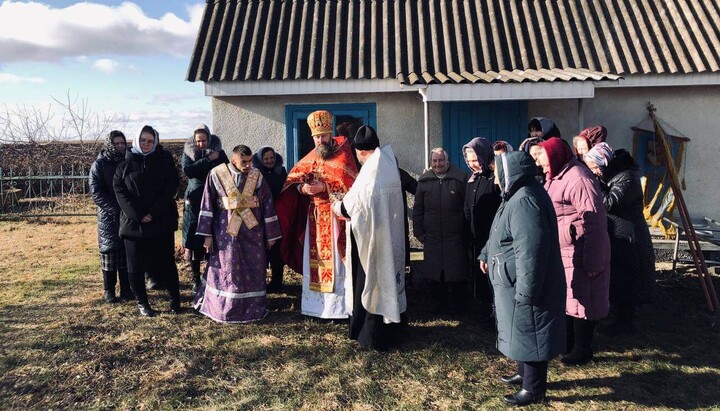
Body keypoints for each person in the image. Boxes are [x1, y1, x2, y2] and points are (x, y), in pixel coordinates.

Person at [479, 151, 566, 406]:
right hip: (513, 280)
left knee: (532, 333)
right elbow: (499, 231)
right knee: (522, 331)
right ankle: (523, 373)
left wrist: (527, 291)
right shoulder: (514, 195)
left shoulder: (525, 200)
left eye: (497, 175)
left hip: (526, 283)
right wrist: (486, 252)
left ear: (510, 173)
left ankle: (534, 389)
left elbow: (531, 251)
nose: (495, 181)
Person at [275, 110, 359, 319]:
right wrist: (303, 189)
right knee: (315, 263)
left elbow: (351, 186)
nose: (320, 140)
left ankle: (339, 309)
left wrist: (325, 187)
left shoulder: (343, 154)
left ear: (330, 134)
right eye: (316, 137)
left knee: (338, 264)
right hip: (314, 218)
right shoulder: (311, 157)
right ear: (312, 137)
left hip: (335, 219)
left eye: (323, 136)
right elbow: (292, 182)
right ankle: (316, 308)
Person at [331, 125, 407, 351]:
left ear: (360, 151)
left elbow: (351, 207)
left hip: (372, 241)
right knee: (390, 280)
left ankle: (371, 335)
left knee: (372, 282)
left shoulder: (370, 171)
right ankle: (394, 331)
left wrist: (336, 206)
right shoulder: (387, 163)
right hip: (389, 235)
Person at [537, 137, 610, 365]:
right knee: (570, 298)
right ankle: (567, 344)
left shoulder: (579, 178)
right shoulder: (557, 176)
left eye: (545, 161)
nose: (542, 166)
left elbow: (595, 221)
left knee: (585, 300)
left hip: (581, 250)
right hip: (565, 250)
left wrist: (593, 262)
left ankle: (583, 350)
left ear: (556, 157)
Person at [192, 145, 282, 323]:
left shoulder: (257, 176)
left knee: (254, 267)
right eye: (244, 162)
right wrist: (207, 235)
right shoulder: (217, 174)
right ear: (233, 160)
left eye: (250, 161)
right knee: (228, 269)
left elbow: (267, 204)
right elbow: (207, 204)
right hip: (226, 233)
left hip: (253, 232)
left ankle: (253, 307)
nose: (248, 165)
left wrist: (271, 235)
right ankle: (225, 307)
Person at [584, 143, 655, 336]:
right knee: (619, 279)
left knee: (628, 281)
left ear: (604, 163)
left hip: (631, 239)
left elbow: (609, 203)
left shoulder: (628, 178)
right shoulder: (614, 176)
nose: (593, 172)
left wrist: (594, 183)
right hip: (620, 237)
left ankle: (624, 324)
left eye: (594, 167)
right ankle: (617, 319)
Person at [113, 125, 181, 317]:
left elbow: (170, 188)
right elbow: (120, 192)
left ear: (155, 142)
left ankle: (174, 300)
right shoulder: (124, 166)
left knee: (166, 263)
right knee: (134, 266)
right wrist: (139, 214)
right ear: (136, 140)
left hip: (161, 222)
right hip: (134, 225)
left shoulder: (164, 162)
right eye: (143, 140)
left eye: (150, 141)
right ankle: (143, 303)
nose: (146, 144)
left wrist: (154, 212)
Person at [412, 147, 469, 314]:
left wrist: (465, 231)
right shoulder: (424, 181)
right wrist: (418, 231)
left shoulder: (460, 179)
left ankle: (459, 307)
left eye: (441, 160)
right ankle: (438, 305)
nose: (438, 164)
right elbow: (418, 209)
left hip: (455, 235)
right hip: (433, 236)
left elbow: (466, 207)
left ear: (447, 161)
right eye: (435, 161)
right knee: (435, 273)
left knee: (457, 272)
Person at [181, 124, 229, 293]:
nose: (201, 144)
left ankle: (211, 276)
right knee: (194, 238)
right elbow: (189, 171)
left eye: (204, 140)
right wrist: (208, 160)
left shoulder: (219, 152)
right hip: (194, 199)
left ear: (209, 139)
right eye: (198, 141)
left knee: (213, 237)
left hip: (215, 198)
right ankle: (195, 278)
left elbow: (226, 170)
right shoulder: (188, 152)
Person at [89, 130, 133, 303]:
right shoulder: (99, 165)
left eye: (123, 143)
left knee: (125, 252)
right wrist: (115, 209)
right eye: (117, 143)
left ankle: (126, 289)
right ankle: (109, 290)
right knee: (109, 252)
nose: (121, 146)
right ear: (109, 144)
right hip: (109, 216)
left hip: (127, 213)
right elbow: (97, 192)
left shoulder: (128, 161)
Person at [462, 137, 501, 323]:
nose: (473, 165)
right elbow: (467, 208)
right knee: (477, 273)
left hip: (491, 237)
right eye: (469, 161)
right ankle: (481, 307)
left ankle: (494, 311)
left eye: (476, 160)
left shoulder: (495, 180)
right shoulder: (471, 180)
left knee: (491, 275)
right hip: (474, 237)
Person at [252, 146, 288, 293]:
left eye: (272, 158)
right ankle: (260, 282)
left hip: (277, 215)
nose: (269, 161)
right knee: (261, 250)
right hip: (260, 216)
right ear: (261, 159)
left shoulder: (281, 171)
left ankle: (277, 282)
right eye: (266, 159)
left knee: (277, 251)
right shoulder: (254, 174)